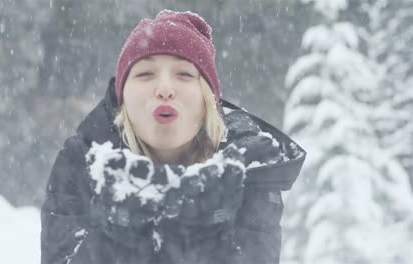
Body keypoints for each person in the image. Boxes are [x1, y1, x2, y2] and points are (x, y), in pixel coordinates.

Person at [40, 9, 306, 264]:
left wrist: (200, 235)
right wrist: (115, 239)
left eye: (184, 74)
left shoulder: (250, 170)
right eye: (145, 74)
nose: (165, 89)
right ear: (122, 100)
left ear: (208, 102)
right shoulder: (81, 164)